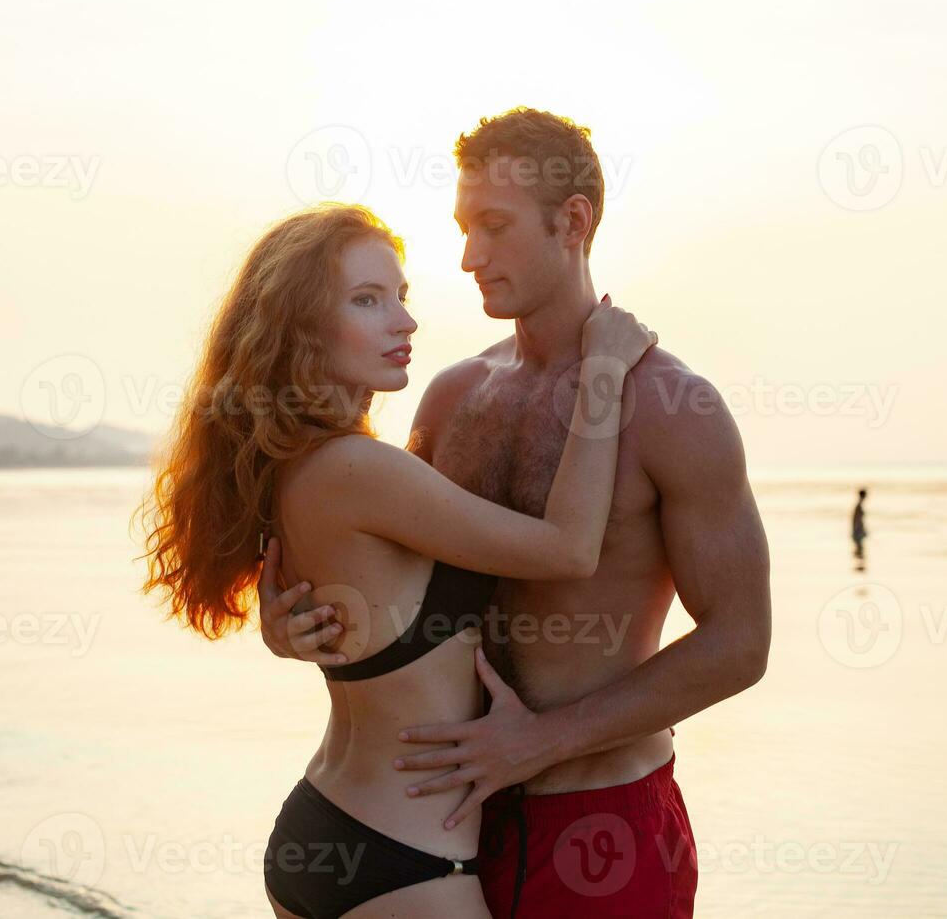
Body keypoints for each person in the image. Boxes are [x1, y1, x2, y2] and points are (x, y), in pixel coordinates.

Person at [260, 108, 773, 917]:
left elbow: (742, 644)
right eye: (464, 228)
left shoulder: (673, 408)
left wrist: (541, 741)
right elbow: (395, 581)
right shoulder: (453, 395)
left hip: (600, 821)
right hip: (447, 825)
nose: (469, 257)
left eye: (494, 227)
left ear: (573, 221)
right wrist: (294, 625)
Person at [136, 203, 656, 918]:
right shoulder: (359, 470)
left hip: (330, 831)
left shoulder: (297, 466)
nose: (404, 322)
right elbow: (567, 549)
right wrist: (603, 372)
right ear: (300, 327)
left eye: (402, 298)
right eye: (367, 300)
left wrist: (280, 632)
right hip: (406, 864)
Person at [852, 488, 869, 570]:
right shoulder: (858, 506)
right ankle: (859, 560)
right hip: (858, 532)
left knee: (860, 549)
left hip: (858, 531)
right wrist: (859, 531)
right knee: (859, 549)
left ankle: (859, 559)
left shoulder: (859, 505)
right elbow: (856, 520)